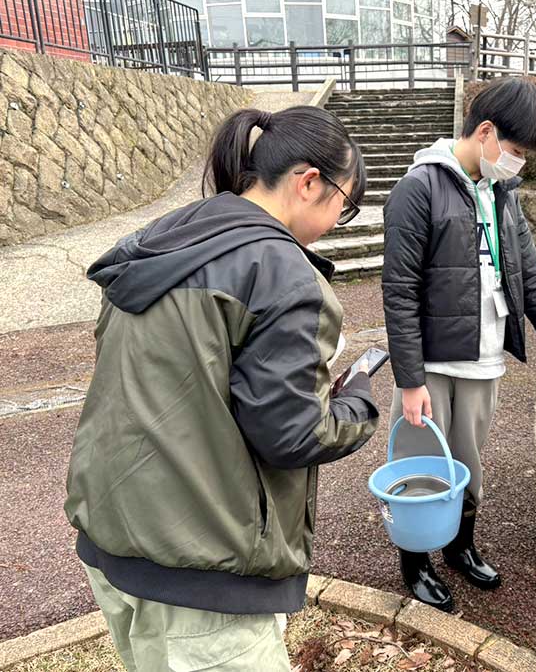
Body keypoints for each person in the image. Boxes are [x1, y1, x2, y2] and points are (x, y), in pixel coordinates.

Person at [64, 106, 379, 671]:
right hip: (201, 569)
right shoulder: (280, 272)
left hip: (112, 533)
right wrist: (357, 402)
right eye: (345, 205)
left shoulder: (165, 238)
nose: (339, 220)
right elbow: (292, 435)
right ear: (309, 183)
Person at [381, 77, 536, 612]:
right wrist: (410, 379)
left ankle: (460, 547)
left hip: (484, 356)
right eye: (513, 152)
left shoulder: (501, 193)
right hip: (433, 362)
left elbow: (530, 277)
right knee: (423, 464)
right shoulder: (418, 189)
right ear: (485, 132)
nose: (517, 165)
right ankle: (415, 561)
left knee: (468, 462)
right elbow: (397, 292)